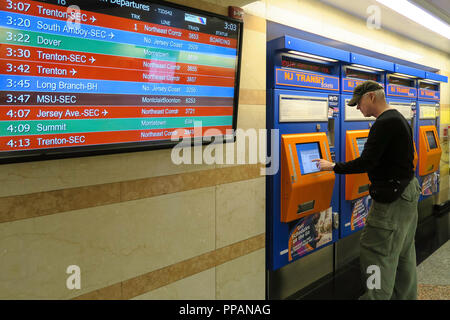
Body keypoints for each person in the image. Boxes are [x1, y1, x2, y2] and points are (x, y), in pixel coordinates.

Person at [312, 80, 421, 300]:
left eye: (359, 103)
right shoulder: (398, 118)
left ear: (371, 97)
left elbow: (367, 162)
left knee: (376, 254)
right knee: (403, 255)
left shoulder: (384, 123)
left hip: (392, 199)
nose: (358, 109)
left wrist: (333, 166)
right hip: (407, 193)